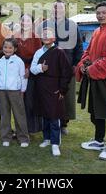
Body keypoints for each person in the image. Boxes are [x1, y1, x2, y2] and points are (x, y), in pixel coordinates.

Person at [76, 1, 106, 161]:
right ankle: (98, 141)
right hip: (95, 77)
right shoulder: (97, 31)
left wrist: (93, 69)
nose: (100, 15)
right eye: (98, 13)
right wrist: (83, 65)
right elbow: (88, 52)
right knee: (97, 110)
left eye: (104, 12)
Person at [40, 0, 83, 135]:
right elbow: (38, 45)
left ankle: (63, 124)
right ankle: (48, 122)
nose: (57, 11)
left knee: (65, 97)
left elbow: (79, 46)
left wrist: (76, 64)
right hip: (48, 68)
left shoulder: (72, 25)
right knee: (49, 96)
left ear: (65, 10)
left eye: (60, 8)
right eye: (55, 8)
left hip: (67, 67)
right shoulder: (45, 25)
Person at [30, 28, 72, 156]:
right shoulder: (38, 52)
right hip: (41, 87)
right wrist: (40, 68)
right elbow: (32, 69)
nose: (46, 36)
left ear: (54, 38)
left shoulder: (59, 52)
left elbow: (66, 72)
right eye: (43, 35)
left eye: (48, 34)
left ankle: (55, 143)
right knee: (44, 115)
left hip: (55, 87)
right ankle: (47, 139)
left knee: (54, 116)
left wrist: (62, 90)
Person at [0, 38, 29, 147]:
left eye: (10, 47)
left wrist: (23, 89)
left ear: (14, 49)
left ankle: (23, 138)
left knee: (19, 114)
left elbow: (23, 76)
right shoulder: (0, 61)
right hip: (2, 91)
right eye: (5, 47)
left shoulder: (18, 61)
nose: (7, 49)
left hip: (15, 91)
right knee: (4, 114)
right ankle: (6, 137)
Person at [14, 14, 43, 133]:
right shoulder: (14, 36)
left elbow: (39, 56)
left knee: (29, 101)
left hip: (31, 72)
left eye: (27, 21)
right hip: (17, 71)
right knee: (18, 102)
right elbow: (11, 53)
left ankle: (31, 128)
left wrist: (30, 69)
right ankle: (19, 128)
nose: (24, 23)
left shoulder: (36, 38)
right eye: (22, 20)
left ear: (31, 24)